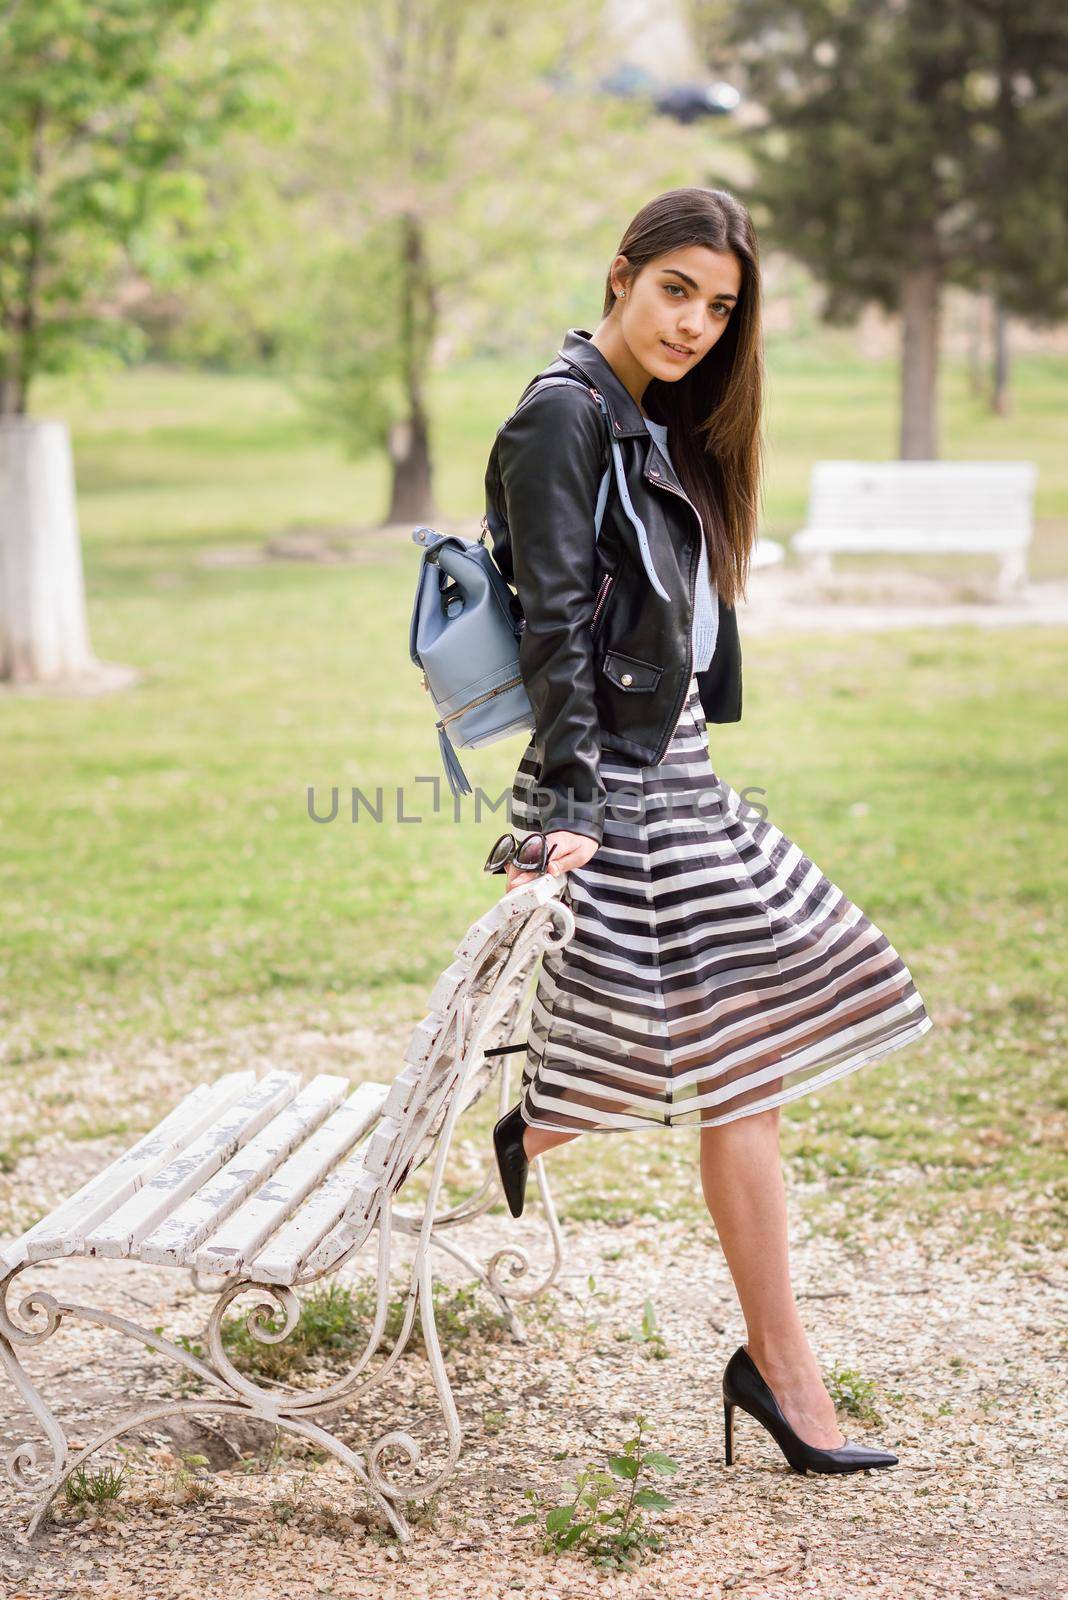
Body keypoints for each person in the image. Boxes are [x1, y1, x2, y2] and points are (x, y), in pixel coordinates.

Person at [481, 186, 934, 1476]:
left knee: (799, 992)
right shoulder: (562, 417)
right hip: (621, 783)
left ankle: (558, 1112)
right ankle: (786, 1376)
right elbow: (554, 623)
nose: (694, 323)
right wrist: (564, 807)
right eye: (676, 289)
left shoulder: (652, 417)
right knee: (757, 1054)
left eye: (720, 306)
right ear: (618, 274)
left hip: (669, 763)